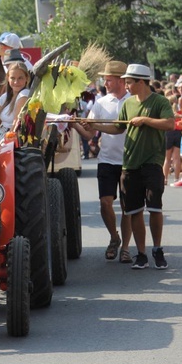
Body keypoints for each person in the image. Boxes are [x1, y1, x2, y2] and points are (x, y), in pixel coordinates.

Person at [96, 64, 174, 269]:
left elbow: (169, 124)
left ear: (141, 81)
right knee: (134, 211)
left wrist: (146, 120)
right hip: (129, 164)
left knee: (155, 208)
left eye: (129, 81)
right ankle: (141, 254)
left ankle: (157, 249)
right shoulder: (128, 104)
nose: (127, 85)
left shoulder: (160, 101)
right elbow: (118, 127)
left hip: (152, 163)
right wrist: (95, 126)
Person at [74, 61, 133, 263]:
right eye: (105, 79)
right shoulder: (101, 102)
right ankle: (114, 237)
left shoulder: (133, 101)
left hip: (129, 160)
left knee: (128, 207)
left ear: (120, 81)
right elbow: (90, 132)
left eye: (109, 79)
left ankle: (125, 247)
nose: (105, 82)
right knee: (105, 203)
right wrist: (74, 124)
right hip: (107, 159)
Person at [0, 60, 30, 143]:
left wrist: (5, 142)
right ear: (8, 78)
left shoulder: (24, 95)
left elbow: (16, 123)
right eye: (12, 78)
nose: (16, 82)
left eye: (20, 78)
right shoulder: (6, 96)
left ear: (27, 78)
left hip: (11, 138)